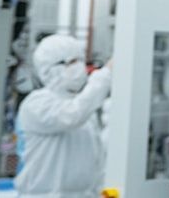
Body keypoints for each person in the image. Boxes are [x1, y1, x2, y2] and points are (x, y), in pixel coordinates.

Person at [15, 34, 112, 198]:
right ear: (50, 69)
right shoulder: (37, 103)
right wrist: (105, 75)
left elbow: (97, 162)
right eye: (72, 61)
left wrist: (105, 194)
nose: (80, 67)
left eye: (81, 60)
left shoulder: (86, 112)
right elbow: (71, 116)